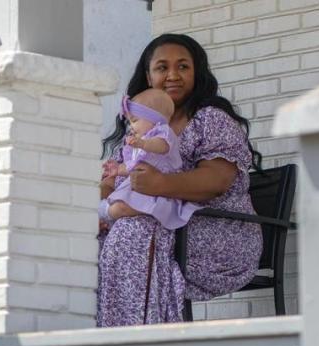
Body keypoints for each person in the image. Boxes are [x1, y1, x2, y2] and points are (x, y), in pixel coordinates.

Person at [96, 33, 263, 327]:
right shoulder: (143, 125)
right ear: (148, 76)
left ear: (196, 73)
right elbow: (116, 177)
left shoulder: (210, 119)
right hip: (168, 224)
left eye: (183, 67)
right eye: (162, 67)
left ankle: (141, 338)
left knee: (134, 230)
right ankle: (104, 336)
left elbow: (216, 180)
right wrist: (99, 208)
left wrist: (159, 184)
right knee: (87, 238)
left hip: (217, 232)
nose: (173, 75)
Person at [100, 88, 193, 231]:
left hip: (159, 193)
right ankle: (107, 215)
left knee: (121, 208)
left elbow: (162, 146)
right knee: (121, 207)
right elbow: (133, 167)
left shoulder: (163, 133)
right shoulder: (141, 142)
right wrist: (117, 170)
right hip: (143, 191)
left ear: (154, 119)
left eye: (135, 120)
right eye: (130, 122)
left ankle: (105, 211)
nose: (131, 126)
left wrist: (143, 144)